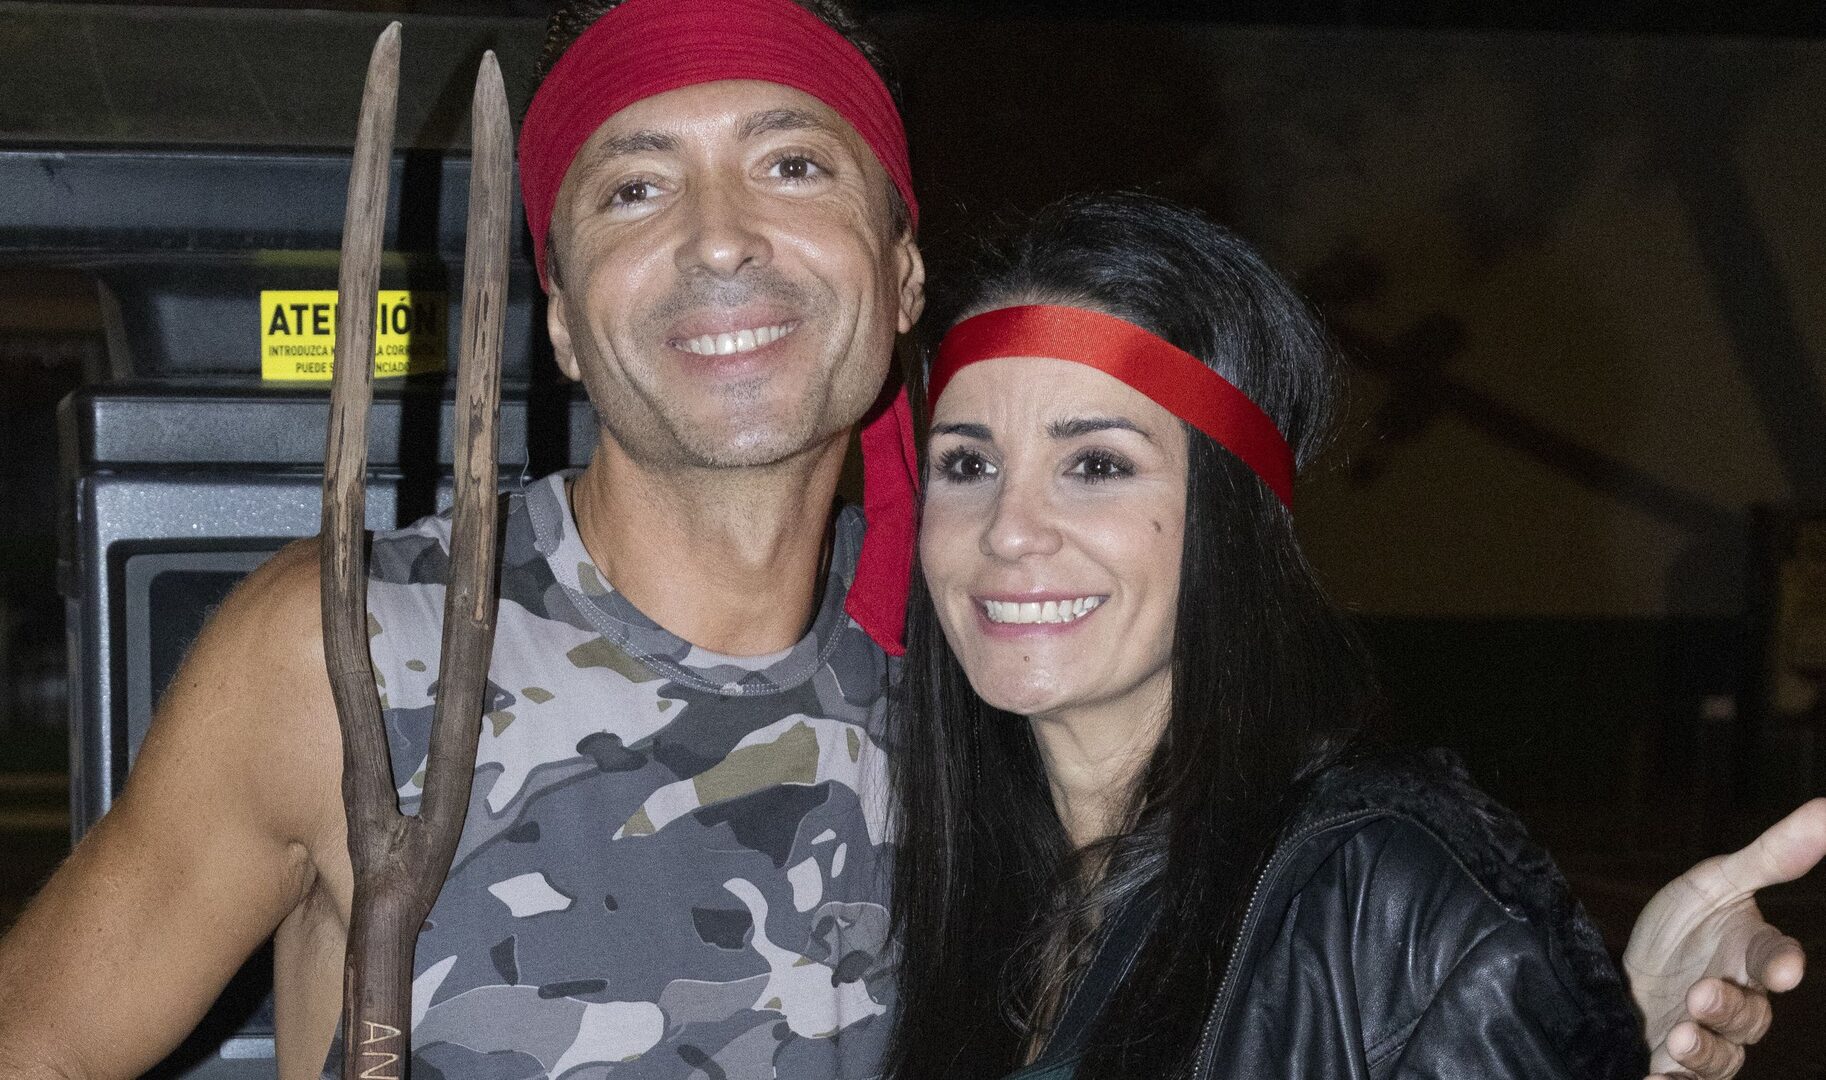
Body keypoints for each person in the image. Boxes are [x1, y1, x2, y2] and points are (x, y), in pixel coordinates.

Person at [0, 1, 1810, 1077]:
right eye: (633, 185)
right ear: (555, 317)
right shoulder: (357, 653)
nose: (719, 235)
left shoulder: (990, 689)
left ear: (901, 270)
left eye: (791, 163)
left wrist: (1579, 1026)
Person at [886, 190, 1826, 1080]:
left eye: (1096, 464)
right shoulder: (933, 878)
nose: (1008, 530)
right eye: (967, 464)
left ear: (1233, 519)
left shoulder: (1387, 895)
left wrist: (1579, 1033)